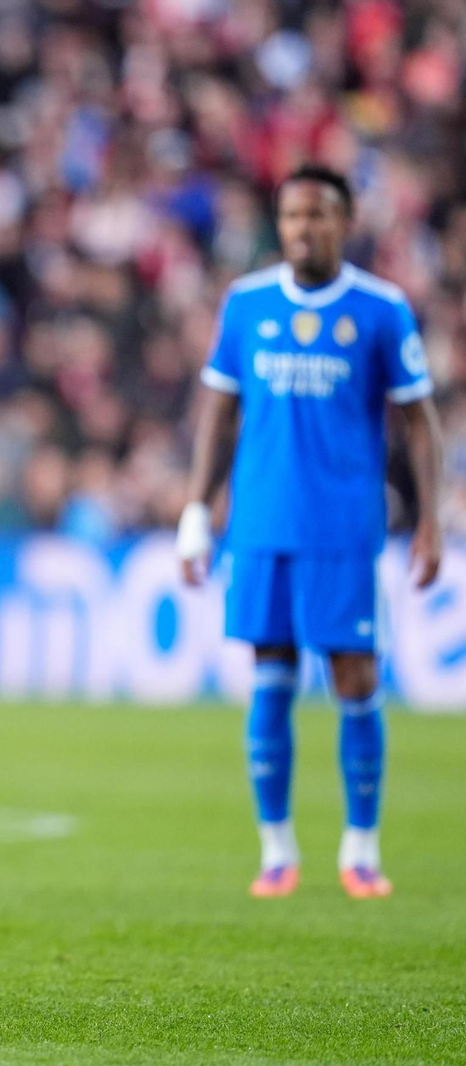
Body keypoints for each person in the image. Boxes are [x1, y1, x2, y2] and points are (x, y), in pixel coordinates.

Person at [178, 165, 444, 900]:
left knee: (355, 678)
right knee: (270, 678)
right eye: (293, 215)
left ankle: (361, 849)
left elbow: (419, 421)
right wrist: (197, 511)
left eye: (319, 214)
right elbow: (219, 413)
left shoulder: (381, 309)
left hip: (343, 528)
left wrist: (431, 521)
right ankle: (276, 851)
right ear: (280, 223)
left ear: (344, 222)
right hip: (261, 524)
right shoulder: (247, 303)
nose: (304, 227)